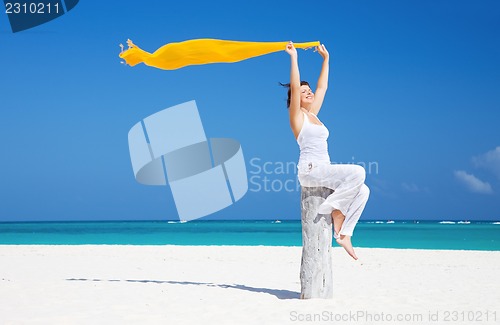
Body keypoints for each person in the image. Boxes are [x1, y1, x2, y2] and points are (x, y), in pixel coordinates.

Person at [283, 41, 369, 260]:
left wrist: (326, 59)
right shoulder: (297, 117)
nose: (310, 92)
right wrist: (294, 57)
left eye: (309, 89)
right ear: (295, 98)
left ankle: (344, 234)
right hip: (310, 170)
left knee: (364, 190)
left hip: (324, 169)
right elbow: (294, 85)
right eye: (304, 92)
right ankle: (335, 210)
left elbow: (322, 87)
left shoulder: (314, 115)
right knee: (358, 172)